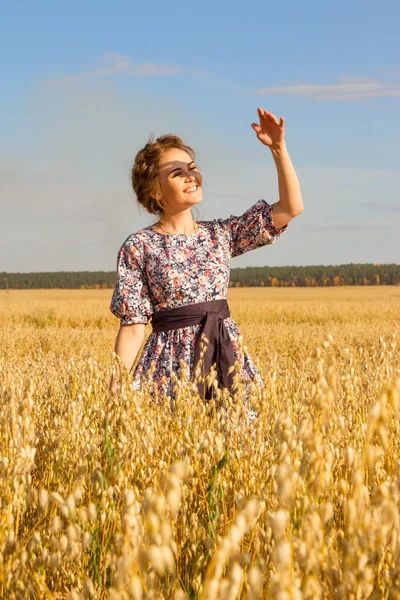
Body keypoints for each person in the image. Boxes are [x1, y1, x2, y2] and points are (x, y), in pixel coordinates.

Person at [109, 107, 304, 422]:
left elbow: (290, 208)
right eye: (176, 173)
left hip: (226, 359)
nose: (191, 175)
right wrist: (114, 392)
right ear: (154, 191)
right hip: (167, 371)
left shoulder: (221, 234)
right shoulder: (139, 246)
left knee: (241, 456)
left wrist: (278, 150)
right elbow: (133, 328)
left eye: (192, 167)